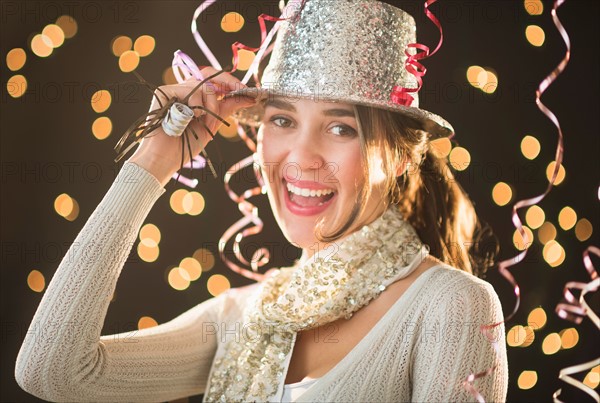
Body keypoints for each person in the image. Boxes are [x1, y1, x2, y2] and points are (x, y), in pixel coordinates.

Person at [15, 0, 509, 401]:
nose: (301, 157)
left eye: (341, 128)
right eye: (282, 120)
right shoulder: (240, 317)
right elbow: (52, 371)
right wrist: (154, 158)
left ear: (401, 158)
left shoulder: (450, 305)